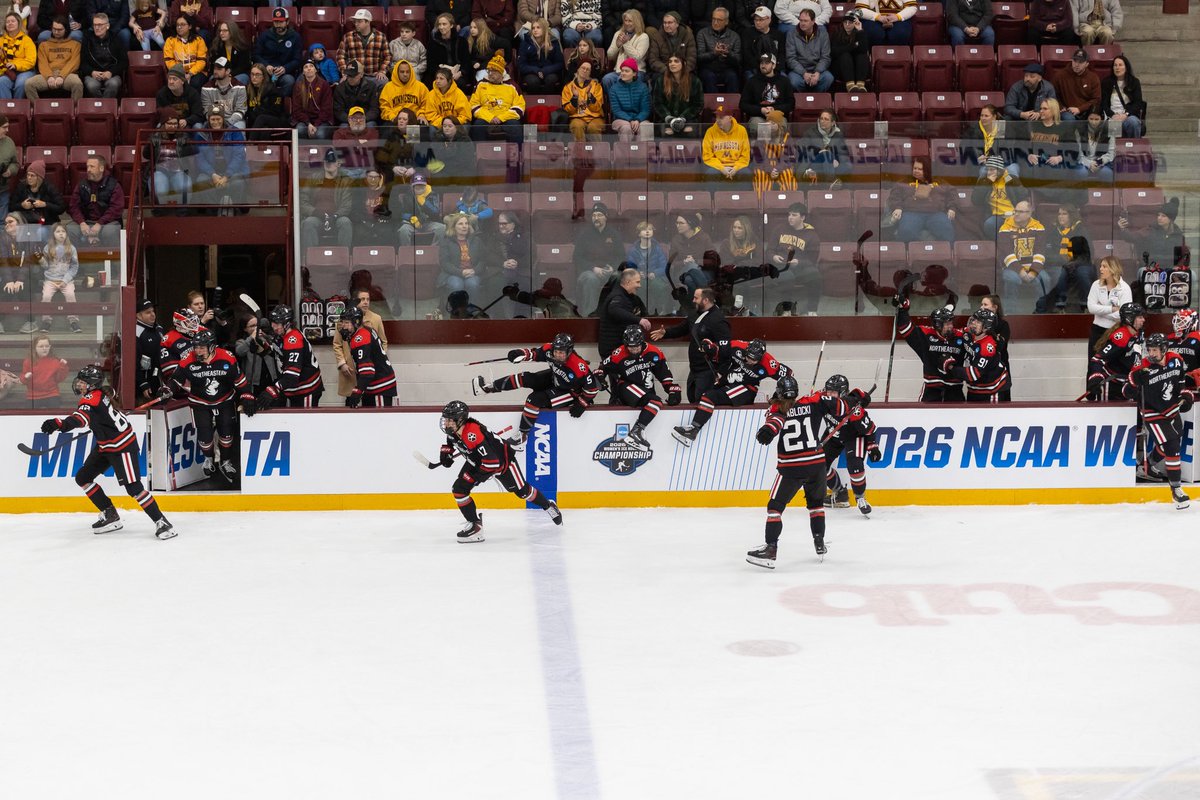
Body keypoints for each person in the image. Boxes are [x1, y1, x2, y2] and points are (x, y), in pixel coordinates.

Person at [40, 365, 175, 539]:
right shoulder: (103, 393)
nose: (79, 385)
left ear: (91, 384)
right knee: (83, 477)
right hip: (106, 445)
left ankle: (162, 522)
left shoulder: (90, 399)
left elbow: (79, 419)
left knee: (134, 488)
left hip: (122, 447)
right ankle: (110, 514)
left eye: (82, 382)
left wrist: (59, 424)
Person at [746, 374, 846, 568]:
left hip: (791, 467)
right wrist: (858, 399)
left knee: (775, 507)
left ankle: (771, 548)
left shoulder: (777, 408)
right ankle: (819, 542)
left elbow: (774, 423)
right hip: (817, 464)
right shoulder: (815, 400)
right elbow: (840, 406)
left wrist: (768, 431)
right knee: (816, 505)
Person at [427, 400, 562, 543]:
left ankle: (548, 505)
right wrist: (446, 453)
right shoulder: (454, 430)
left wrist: (476, 477)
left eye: (449, 420)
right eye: (446, 419)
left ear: (460, 420)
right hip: (478, 461)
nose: (446, 423)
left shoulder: (472, 433)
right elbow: (451, 441)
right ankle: (475, 526)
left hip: (503, 464)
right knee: (459, 489)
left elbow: (493, 463)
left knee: (523, 492)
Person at [472, 332, 599, 449]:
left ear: (569, 351)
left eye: (562, 352)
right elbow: (534, 354)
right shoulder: (550, 349)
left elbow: (593, 388)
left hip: (570, 392)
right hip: (555, 379)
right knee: (525, 378)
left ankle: (522, 436)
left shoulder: (578, 366)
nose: (558, 354)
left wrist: (582, 403)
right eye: (556, 351)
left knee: (534, 399)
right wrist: (519, 353)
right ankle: (488, 388)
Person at [161, 328, 251, 484]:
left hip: (225, 400)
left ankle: (226, 461)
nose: (197, 350)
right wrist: (167, 389)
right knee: (205, 436)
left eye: (201, 347)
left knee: (226, 433)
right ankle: (209, 458)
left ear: (212, 347)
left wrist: (246, 396)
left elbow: (240, 381)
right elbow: (176, 380)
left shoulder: (227, 358)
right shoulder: (188, 359)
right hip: (200, 402)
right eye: (195, 346)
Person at [673, 338, 792, 446]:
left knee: (710, 396)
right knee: (704, 396)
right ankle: (693, 429)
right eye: (748, 356)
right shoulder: (738, 346)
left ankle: (693, 430)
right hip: (731, 382)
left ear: (761, 357)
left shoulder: (769, 363)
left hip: (747, 389)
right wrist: (708, 347)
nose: (749, 360)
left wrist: (777, 396)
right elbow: (717, 347)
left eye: (753, 359)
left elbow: (789, 376)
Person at [1124, 333, 1193, 510]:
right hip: (1152, 411)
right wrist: (1134, 381)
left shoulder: (1176, 360)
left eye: (1155, 350)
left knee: (1169, 443)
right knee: (1171, 446)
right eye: (1150, 350)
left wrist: (1186, 397)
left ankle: (1145, 467)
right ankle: (1176, 489)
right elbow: (1126, 391)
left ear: (1164, 349)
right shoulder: (1143, 366)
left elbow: (1182, 385)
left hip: (1171, 409)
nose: (1151, 353)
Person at [594, 325, 681, 448]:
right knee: (655, 401)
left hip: (646, 392)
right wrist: (600, 377)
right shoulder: (619, 353)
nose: (634, 349)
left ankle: (637, 431)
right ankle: (636, 431)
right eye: (630, 347)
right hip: (626, 387)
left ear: (642, 342)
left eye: (636, 346)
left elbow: (664, 375)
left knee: (655, 402)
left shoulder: (654, 352)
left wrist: (672, 390)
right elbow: (602, 368)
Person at [651, 287, 731, 401]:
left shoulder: (718, 320)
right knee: (691, 398)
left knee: (703, 401)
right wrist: (666, 333)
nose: (693, 300)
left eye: (696, 298)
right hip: (694, 370)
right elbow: (682, 329)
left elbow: (725, 349)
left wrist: (722, 373)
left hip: (708, 371)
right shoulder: (694, 315)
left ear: (706, 300)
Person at [819, 374, 881, 514]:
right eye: (828, 391)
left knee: (854, 464)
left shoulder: (854, 408)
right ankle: (840, 493)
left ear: (842, 393)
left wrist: (872, 446)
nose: (829, 395)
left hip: (853, 437)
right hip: (833, 434)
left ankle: (860, 498)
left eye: (833, 392)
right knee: (820, 464)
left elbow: (869, 428)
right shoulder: (822, 398)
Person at [894, 296, 966, 401]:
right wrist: (902, 309)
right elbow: (905, 328)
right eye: (946, 323)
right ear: (937, 324)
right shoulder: (925, 334)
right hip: (931, 389)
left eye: (951, 322)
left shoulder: (961, 336)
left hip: (955, 390)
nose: (950, 326)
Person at [256, 304, 322, 409]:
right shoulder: (281, 335)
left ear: (287, 324)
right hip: (295, 389)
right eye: (273, 322)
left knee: (305, 423)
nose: (274, 326)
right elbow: (280, 354)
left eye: (277, 323)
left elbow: (291, 377)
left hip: (306, 389)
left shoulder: (294, 340)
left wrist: (274, 389)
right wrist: (264, 348)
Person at [941, 307, 1010, 402]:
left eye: (978, 322)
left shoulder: (987, 347)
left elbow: (973, 374)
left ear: (986, 327)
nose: (973, 323)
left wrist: (950, 367)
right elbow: (956, 333)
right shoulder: (969, 334)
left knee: (990, 416)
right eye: (974, 320)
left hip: (992, 388)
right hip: (975, 388)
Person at [333, 289, 386, 406]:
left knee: (369, 402)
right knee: (351, 402)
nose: (366, 302)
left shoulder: (376, 318)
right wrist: (342, 363)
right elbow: (337, 344)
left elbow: (383, 341)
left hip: (370, 369)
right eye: (362, 299)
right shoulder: (343, 320)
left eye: (368, 299)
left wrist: (379, 358)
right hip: (350, 369)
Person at [337, 305, 396, 408]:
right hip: (375, 384)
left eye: (346, 323)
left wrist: (357, 391)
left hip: (380, 386)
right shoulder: (365, 330)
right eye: (342, 322)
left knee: (380, 421)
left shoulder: (360, 338)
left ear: (356, 322)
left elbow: (367, 372)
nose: (343, 326)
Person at [769, 202, 822, 316]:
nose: (790, 218)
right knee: (787, 276)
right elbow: (769, 250)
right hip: (781, 266)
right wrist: (773, 256)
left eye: (794, 215)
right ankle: (786, 309)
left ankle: (812, 310)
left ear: (802, 217)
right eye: (789, 215)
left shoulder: (812, 235)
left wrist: (799, 262)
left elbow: (812, 260)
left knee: (815, 275)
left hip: (800, 267)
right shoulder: (779, 229)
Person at [888, 156, 956, 244]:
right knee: (906, 231)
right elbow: (894, 196)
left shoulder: (939, 182)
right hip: (911, 213)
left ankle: (944, 255)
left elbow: (952, 193)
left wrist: (952, 208)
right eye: (915, 168)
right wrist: (897, 207)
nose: (916, 171)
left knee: (947, 231)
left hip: (936, 213)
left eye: (920, 169)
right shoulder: (903, 182)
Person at [191, 104, 247, 211]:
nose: (216, 122)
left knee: (238, 182)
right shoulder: (201, 134)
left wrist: (227, 175)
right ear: (208, 119)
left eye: (218, 119)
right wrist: (213, 174)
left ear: (223, 119)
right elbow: (200, 158)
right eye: (213, 119)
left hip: (231, 171)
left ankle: (234, 209)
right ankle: (213, 210)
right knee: (201, 180)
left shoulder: (234, 132)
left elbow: (238, 156)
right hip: (211, 172)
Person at [1087, 299, 1143, 401]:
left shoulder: (1138, 334)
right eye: (1140, 317)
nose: (1143, 320)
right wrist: (1095, 377)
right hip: (1112, 385)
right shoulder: (1121, 337)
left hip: (1127, 385)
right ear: (1130, 319)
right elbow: (1097, 359)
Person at [1084, 255, 1131, 375]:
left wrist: (1101, 311)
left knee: (1112, 365)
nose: (1101, 269)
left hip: (1115, 331)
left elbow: (1123, 315)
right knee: (1093, 365)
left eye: (1104, 266)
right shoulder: (1096, 285)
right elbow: (1091, 308)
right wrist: (1112, 309)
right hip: (1097, 331)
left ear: (1113, 268)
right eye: (1100, 266)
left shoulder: (1125, 288)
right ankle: (1092, 393)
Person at [1118, 197, 1188, 276]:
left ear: (1171, 219)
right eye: (1158, 215)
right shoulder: (1150, 230)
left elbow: (1182, 256)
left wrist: (1177, 267)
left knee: (1192, 275)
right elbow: (1133, 237)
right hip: (1152, 269)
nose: (1159, 218)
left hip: (1171, 271)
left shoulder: (1178, 235)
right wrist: (1123, 229)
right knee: (1142, 271)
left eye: (1163, 216)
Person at [998, 200, 1048, 310]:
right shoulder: (1005, 228)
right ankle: (1011, 313)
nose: (1016, 214)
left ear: (1029, 213)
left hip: (1033, 267)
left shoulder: (1039, 227)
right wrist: (1020, 271)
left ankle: (1042, 312)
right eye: (1015, 211)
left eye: (1020, 211)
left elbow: (1040, 252)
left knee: (1045, 279)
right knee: (1012, 279)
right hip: (1011, 268)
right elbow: (1007, 254)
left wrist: (1034, 271)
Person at [299, 148, 352, 250]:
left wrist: (335, 215)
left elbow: (347, 205)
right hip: (317, 216)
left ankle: (343, 256)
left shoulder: (345, 180)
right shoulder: (313, 178)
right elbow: (302, 201)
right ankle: (311, 257)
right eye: (326, 161)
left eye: (332, 162)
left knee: (345, 222)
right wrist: (315, 212)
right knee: (308, 223)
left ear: (338, 163)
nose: (328, 164)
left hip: (337, 217)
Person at [66, 155, 123, 248]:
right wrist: (81, 222)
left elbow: (116, 209)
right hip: (86, 221)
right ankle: (76, 260)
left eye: (92, 166)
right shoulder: (81, 184)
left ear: (101, 168)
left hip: (108, 222)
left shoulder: (114, 185)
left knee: (109, 231)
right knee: (71, 229)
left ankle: (112, 260)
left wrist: (100, 223)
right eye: (87, 166)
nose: (88, 169)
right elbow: (73, 206)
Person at [467, 51, 525, 142]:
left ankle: (517, 154)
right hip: (486, 116)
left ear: (501, 73)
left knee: (515, 126)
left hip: (506, 117)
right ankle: (478, 154)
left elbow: (519, 108)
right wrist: (490, 117)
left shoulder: (513, 86)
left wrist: (501, 117)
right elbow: (474, 106)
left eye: (493, 71)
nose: (490, 73)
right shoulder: (481, 84)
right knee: (477, 126)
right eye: (489, 70)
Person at [23, 16, 84, 100]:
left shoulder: (75, 44)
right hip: (48, 74)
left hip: (67, 74)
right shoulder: (44, 45)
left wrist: (61, 76)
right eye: (54, 29)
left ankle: (74, 110)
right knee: (29, 84)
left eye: (59, 30)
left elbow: (74, 63)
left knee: (77, 84)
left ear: (66, 29)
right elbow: (42, 63)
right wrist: (49, 76)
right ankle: (39, 109)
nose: (56, 32)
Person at [597, 267, 652, 358]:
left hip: (624, 348)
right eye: (637, 282)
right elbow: (614, 309)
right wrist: (639, 320)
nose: (639, 285)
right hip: (613, 351)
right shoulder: (618, 296)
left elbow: (643, 312)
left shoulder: (631, 297)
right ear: (628, 282)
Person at [38, 222, 81, 333]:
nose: (61, 234)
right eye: (58, 231)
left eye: (63, 231)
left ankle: (73, 321)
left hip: (66, 281)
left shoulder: (71, 248)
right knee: (46, 296)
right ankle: (46, 321)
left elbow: (74, 266)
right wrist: (41, 260)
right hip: (50, 280)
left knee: (70, 295)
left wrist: (65, 280)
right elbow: (46, 266)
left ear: (66, 234)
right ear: (53, 234)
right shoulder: (48, 248)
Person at [972, 154, 1029, 238]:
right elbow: (975, 200)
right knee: (989, 224)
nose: (989, 173)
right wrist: (987, 183)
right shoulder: (984, 180)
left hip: (1014, 215)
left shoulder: (1010, 178)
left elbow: (1024, 195)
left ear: (1000, 170)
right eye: (988, 170)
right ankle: (999, 245)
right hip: (997, 217)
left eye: (992, 170)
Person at [740, 54, 794, 139]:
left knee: (778, 126)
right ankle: (761, 151)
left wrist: (774, 109)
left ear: (774, 65)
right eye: (761, 63)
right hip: (758, 115)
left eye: (767, 63)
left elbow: (791, 104)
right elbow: (743, 105)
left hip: (777, 114)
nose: (763, 65)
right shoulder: (752, 81)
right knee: (759, 126)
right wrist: (761, 110)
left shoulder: (784, 81)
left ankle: (777, 150)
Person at [252, 7, 301, 98]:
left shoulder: (295, 37)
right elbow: (256, 55)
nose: (278, 25)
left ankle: (279, 104)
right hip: (266, 71)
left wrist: (285, 68)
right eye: (276, 22)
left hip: (284, 73)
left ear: (287, 21)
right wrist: (266, 66)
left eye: (281, 22)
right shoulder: (265, 35)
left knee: (289, 81)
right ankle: (260, 104)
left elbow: (297, 60)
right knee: (255, 78)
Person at [668, 211, 718, 295]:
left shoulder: (704, 238)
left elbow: (712, 260)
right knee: (692, 268)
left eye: (681, 223)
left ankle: (693, 306)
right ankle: (708, 300)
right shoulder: (676, 240)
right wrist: (684, 262)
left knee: (689, 280)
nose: (677, 225)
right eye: (677, 223)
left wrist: (695, 261)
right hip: (681, 272)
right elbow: (671, 262)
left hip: (703, 271)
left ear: (690, 224)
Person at [652, 54, 702, 138]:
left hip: (688, 119)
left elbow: (698, 104)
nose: (672, 64)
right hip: (666, 119)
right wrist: (669, 118)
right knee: (667, 133)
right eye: (670, 62)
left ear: (684, 64)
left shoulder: (694, 81)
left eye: (676, 61)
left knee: (689, 132)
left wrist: (683, 118)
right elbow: (657, 103)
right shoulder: (661, 80)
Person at [797, 109, 850, 188]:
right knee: (826, 154)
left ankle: (818, 175)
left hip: (829, 164)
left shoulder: (838, 135)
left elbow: (843, 153)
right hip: (813, 162)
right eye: (821, 118)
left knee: (848, 166)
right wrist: (819, 151)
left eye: (826, 119)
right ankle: (830, 183)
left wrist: (837, 160)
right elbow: (802, 150)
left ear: (833, 123)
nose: (822, 121)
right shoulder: (810, 133)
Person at [784, 9, 833, 92]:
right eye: (801, 20)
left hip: (818, 70)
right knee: (793, 81)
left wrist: (817, 72)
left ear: (813, 21)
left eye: (805, 21)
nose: (802, 23)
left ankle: (816, 98)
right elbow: (790, 58)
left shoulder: (823, 33)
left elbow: (825, 57)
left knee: (828, 78)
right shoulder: (791, 34)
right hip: (799, 71)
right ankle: (803, 100)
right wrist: (804, 73)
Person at [696, 6, 742, 92]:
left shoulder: (735, 36)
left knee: (732, 76)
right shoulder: (702, 33)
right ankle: (711, 105)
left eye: (719, 20)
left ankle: (731, 105)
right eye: (713, 19)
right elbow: (699, 57)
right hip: (708, 68)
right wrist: (714, 53)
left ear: (726, 21)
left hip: (727, 69)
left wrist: (728, 54)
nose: (715, 22)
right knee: (708, 77)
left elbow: (738, 59)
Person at [80, 12, 126, 98]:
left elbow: (124, 62)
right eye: (95, 25)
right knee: (92, 86)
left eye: (100, 25)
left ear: (107, 26)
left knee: (113, 84)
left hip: (112, 73)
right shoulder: (87, 39)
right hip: (93, 74)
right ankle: (101, 107)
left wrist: (111, 72)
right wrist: (92, 72)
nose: (97, 28)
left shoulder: (116, 39)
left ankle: (105, 107)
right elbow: (83, 62)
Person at [1100, 54, 1145, 139]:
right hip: (1112, 116)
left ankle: (1133, 149)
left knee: (1133, 122)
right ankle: (1114, 151)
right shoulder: (1106, 82)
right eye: (1115, 65)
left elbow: (1138, 103)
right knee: (1113, 126)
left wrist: (1126, 115)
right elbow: (1104, 103)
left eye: (1120, 65)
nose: (1117, 68)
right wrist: (1112, 115)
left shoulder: (1134, 82)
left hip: (1128, 116)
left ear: (1126, 67)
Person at [438, 212, 486, 294]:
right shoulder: (446, 241)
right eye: (460, 224)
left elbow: (483, 260)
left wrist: (475, 270)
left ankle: (472, 306)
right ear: (453, 227)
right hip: (453, 273)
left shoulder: (477, 240)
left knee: (473, 284)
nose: (464, 226)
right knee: (457, 285)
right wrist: (461, 272)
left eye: (466, 223)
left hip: (473, 272)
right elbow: (445, 263)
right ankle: (455, 306)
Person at [339, 9, 389, 85]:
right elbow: (340, 56)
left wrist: (382, 71)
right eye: (355, 21)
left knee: (383, 82)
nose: (356, 24)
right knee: (343, 84)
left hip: (374, 75)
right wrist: (345, 72)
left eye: (359, 21)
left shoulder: (381, 36)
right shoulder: (348, 36)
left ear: (368, 22)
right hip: (354, 75)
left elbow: (388, 57)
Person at [602, 8, 647, 90]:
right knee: (607, 79)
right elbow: (610, 56)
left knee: (633, 78)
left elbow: (636, 58)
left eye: (630, 21)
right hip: (620, 71)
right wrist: (617, 45)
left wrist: (626, 43)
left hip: (637, 71)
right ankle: (615, 101)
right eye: (625, 21)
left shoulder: (643, 37)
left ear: (637, 22)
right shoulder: (618, 33)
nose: (627, 23)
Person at [702, 106, 751, 181]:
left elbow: (745, 156)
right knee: (711, 173)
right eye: (716, 117)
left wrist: (735, 168)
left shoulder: (741, 130)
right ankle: (712, 193)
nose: (718, 120)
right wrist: (721, 168)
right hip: (717, 167)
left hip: (736, 166)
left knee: (746, 173)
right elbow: (707, 156)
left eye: (721, 118)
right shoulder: (710, 131)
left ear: (730, 118)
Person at [395, 171, 445, 245]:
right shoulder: (407, 196)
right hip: (412, 223)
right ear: (412, 186)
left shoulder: (432, 195)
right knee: (403, 230)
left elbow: (436, 212)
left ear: (425, 185)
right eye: (416, 185)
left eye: (421, 185)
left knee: (442, 228)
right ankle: (407, 252)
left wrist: (424, 203)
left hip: (428, 222)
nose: (419, 188)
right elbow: (401, 213)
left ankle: (434, 250)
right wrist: (411, 218)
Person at [234, 313, 276, 398]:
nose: (256, 328)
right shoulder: (242, 341)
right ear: (245, 329)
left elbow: (275, 351)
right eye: (252, 326)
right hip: (254, 382)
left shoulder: (266, 338)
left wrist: (265, 337)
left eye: (257, 325)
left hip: (270, 379)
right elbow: (239, 351)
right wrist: (252, 338)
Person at [20, 334, 68, 408]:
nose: (44, 348)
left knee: (55, 410)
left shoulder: (55, 361)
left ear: (50, 347)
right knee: (29, 413)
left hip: (51, 394)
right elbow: (23, 381)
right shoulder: (28, 361)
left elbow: (59, 379)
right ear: (34, 348)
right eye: (41, 346)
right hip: (33, 395)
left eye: (47, 346)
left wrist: (63, 367)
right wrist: (26, 377)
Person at [12, 160, 65, 227]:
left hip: (47, 223)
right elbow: (11, 207)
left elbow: (61, 208)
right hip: (26, 222)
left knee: (42, 232)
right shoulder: (21, 187)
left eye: (32, 176)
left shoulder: (49, 188)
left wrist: (45, 204)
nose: (29, 178)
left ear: (39, 177)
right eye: (28, 175)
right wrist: (22, 205)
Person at [608, 57, 649, 142]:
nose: (623, 73)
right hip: (620, 119)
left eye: (627, 71)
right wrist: (630, 120)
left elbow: (646, 109)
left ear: (634, 73)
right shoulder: (614, 88)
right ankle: (625, 154)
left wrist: (637, 119)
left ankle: (643, 154)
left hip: (640, 119)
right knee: (626, 128)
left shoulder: (643, 87)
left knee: (645, 127)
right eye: (622, 71)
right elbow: (616, 110)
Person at [1052, 233, 1096, 313]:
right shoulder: (1090, 267)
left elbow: (1061, 287)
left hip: (1076, 304)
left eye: (1069, 247)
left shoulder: (1072, 267)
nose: (1068, 249)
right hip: (1088, 306)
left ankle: (1084, 304)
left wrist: (1060, 304)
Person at [518, 16, 564, 92]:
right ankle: (533, 103)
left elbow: (560, 63)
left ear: (544, 28)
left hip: (549, 72)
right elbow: (521, 65)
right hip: (531, 72)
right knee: (533, 81)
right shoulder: (525, 42)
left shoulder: (553, 41)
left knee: (550, 80)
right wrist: (536, 70)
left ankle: (549, 103)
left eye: (538, 27)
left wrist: (545, 70)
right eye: (533, 28)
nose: (535, 30)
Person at [562, 59, 605, 140]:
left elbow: (597, 108)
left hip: (595, 118)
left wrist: (589, 96)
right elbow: (568, 110)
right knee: (577, 126)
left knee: (593, 128)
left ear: (590, 72)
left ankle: (597, 152)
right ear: (578, 69)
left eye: (588, 69)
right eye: (583, 68)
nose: (585, 70)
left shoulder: (596, 86)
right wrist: (575, 98)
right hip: (577, 117)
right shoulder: (568, 87)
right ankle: (580, 152)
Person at [292, 59, 334, 140]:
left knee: (320, 134)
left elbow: (327, 109)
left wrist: (316, 124)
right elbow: (297, 109)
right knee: (299, 131)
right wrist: (308, 124)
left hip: (322, 120)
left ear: (316, 70)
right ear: (303, 72)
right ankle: (302, 152)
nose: (309, 68)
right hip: (304, 120)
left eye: (311, 66)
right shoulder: (298, 86)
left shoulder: (324, 84)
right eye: (306, 67)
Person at [427, 13, 471, 92]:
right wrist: (443, 75)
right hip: (440, 73)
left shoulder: (461, 41)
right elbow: (431, 65)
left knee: (460, 83)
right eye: (439, 24)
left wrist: (460, 73)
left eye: (444, 24)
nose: (441, 27)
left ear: (451, 25)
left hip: (458, 73)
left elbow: (467, 62)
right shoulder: (433, 43)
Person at [162, 13, 206, 90]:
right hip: (177, 72)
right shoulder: (170, 40)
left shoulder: (199, 40)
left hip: (195, 72)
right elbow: (169, 61)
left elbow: (201, 61)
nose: (179, 27)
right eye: (177, 25)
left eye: (182, 24)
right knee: (175, 82)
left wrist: (190, 73)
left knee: (196, 82)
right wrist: (180, 73)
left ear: (190, 26)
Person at [1053, 49, 1100, 122]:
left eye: (1081, 62)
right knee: (1069, 118)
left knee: (1095, 117)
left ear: (1087, 64)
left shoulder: (1093, 77)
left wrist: (1080, 109)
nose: (1077, 65)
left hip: (1086, 110)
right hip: (1067, 111)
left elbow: (1096, 99)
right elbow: (1053, 95)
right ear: (1071, 61)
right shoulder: (1059, 76)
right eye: (1075, 61)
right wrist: (1061, 106)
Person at [200, 56, 246, 128]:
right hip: (214, 121)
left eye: (219, 69)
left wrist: (227, 123)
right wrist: (217, 122)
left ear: (228, 71)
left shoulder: (240, 87)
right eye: (215, 68)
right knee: (199, 127)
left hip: (234, 121)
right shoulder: (206, 88)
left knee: (240, 126)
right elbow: (206, 110)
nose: (215, 71)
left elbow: (240, 110)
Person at [741, 6, 785, 81]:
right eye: (756, 19)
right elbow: (747, 55)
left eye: (761, 19)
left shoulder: (778, 35)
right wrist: (762, 67)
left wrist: (773, 68)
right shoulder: (747, 33)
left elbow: (782, 54)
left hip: (774, 68)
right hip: (753, 68)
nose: (757, 22)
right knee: (751, 80)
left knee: (785, 80)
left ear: (769, 19)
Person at [830, 8, 870, 90]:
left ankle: (860, 85)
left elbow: (863, 50)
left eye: (850, 22)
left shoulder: (860, 33)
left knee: (862, 56)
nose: (847, 25)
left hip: (857, 68)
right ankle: (850, 85)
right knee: (845, 55)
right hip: (841, 68)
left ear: (855, 23)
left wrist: (860, 30)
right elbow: (834, 52)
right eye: (845, 22)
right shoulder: (837, 33)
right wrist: (852, 46)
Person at [646, 11, 695, 77]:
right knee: (656, 78)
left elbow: (692, 57)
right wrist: (667, 70)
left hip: (683, 69)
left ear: (677, 24)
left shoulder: (687, 35)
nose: (666, 25)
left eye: (670, 23)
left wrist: (682, 69)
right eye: (665, 23)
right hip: (664, 70)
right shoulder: (657, 37)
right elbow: (653, 60)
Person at [159, 306, 198, 383]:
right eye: (189, 321)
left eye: (193, 320)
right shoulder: (169, 340)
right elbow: (170, 372)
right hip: (181, 385)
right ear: (180, 323)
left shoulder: (197, 335)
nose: (193, 323)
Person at [0, 11, 35, 98]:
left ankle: (17, 109)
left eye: (13, 21)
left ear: (19, 23)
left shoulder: (27, 40)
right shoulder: (1, 40)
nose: (10, 23)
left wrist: (15, 65)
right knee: (1, 81)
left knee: (21, 83)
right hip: (6, 71)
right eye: (8, 22)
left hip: (25, 70)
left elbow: (31, 60)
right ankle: (6, 110)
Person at [244, 62, 288, 131]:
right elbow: (247, 110)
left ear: (263, 76)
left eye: (257, 74)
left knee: (261, 118)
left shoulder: (272, 90)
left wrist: (256, 111)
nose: (254, 77)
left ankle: (251, 141)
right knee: (264, 129)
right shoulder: (248, 90)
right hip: (260, 123)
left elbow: (276, 111)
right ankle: (252, 141)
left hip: (277, 120)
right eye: (252, 74)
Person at [134, 298, 163, 401]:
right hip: (145, 384)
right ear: (138, 315)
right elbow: (134, 362)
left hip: (160, 379)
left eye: (153, 311)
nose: (152, 314)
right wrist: (143, 383)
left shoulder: (159, 328)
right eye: (148, 312)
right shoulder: (136, 333)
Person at [209, 20, 251, 85]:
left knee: (238, 80)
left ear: (232, 32)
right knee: (212, 79)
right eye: (220, 30)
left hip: (239, 74)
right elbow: (214, 65)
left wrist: (228, 75)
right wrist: (222, 75)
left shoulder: (242, 47)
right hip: (221, 73)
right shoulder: (217, 46)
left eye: (225, 31)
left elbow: (243, 67)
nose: (221, 33)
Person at [1169, 308, 1200, 372]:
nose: (1178, 324)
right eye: (1177, 321)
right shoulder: (1170, 339)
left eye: (1183, 321)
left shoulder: (1197, 338)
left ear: (1192, 323)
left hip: (1193, 378)